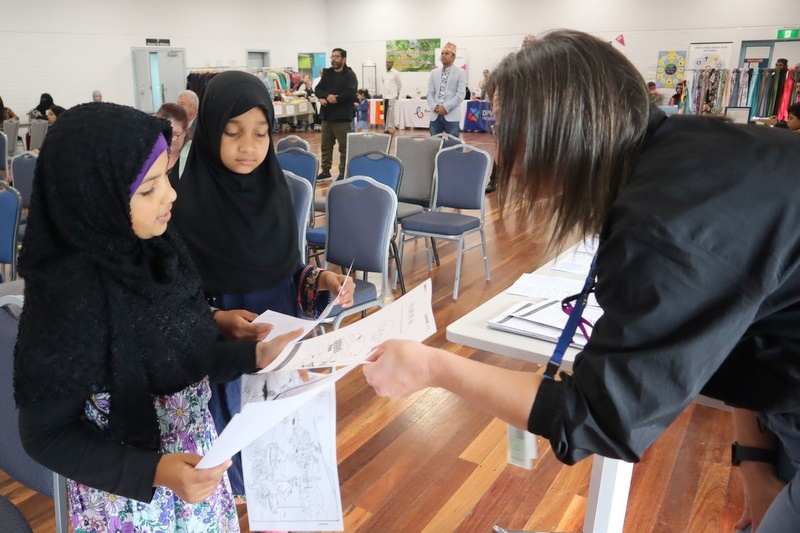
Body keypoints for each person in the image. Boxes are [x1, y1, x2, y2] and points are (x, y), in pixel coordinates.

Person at [363, 29, 800, 532]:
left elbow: (600, 419)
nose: (502, 153)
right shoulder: (685, 149)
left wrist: (433, 367)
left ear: (561, 127)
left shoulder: (665, 224)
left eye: (509, 129)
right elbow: (747, 321)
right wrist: (754, 464)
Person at [14, 102, 301, 532]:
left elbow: (182, 360)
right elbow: (47, 435)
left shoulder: (158, 254)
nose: (171, 195)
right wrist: (157, 471)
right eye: (148, 189)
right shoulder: (69, 298)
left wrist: (254, 356)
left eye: (166, 176)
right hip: (129, 499)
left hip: (194, 469)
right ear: (95, 200)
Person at [170, 70, 354, 499]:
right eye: (233, 133)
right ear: (211, 129)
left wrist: (320, 280)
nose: (249, 147)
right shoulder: (181, 205)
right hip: (215, 365)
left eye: (260, 132)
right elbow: (167, 302)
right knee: (222, 476)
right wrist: (216, 319)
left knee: (276, 470)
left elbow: (286, 274)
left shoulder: (274, 195)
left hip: (275, 360)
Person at [314, 48, 358, 180]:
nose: (334, 59)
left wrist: (337, 99)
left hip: (342, 117)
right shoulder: (327, 73)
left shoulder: (350, 75)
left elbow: (350, 93)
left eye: (337, 57)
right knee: (325, 146)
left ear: (344, 59)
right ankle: (326, 170)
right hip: (327, 115)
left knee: (344, 147)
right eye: (332, 57)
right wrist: (325, 96)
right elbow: (318, 89)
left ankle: (342, 172)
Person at [426, 41, 466, 137]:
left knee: (454, 147)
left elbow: (460, 94)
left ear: (453, 57)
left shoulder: (460, 72)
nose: (443, 56)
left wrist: (446, 107)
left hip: (451, 116)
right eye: (442, 53)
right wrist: (435, 107)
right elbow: (430, 93)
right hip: (435, 115)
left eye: (447, 53)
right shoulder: (434, 73)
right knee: (434, 145)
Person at [156, 102, 193, 179]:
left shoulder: (193, 158)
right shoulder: (148, 155)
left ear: (185, 132)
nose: (167, 140)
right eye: (163, 133)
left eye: (173, 134)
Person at [381, 59, 402, 133]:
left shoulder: (396, 73)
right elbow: (383, 82)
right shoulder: (383, 73)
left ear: (392, 64)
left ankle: (391, 128)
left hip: (392, 95)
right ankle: (386, 128)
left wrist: (397, 93)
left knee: (391, 111)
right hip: (385, 95)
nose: (387, 64)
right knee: (385, 111)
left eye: (389, 63)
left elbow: (399, 84)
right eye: (386, 62)